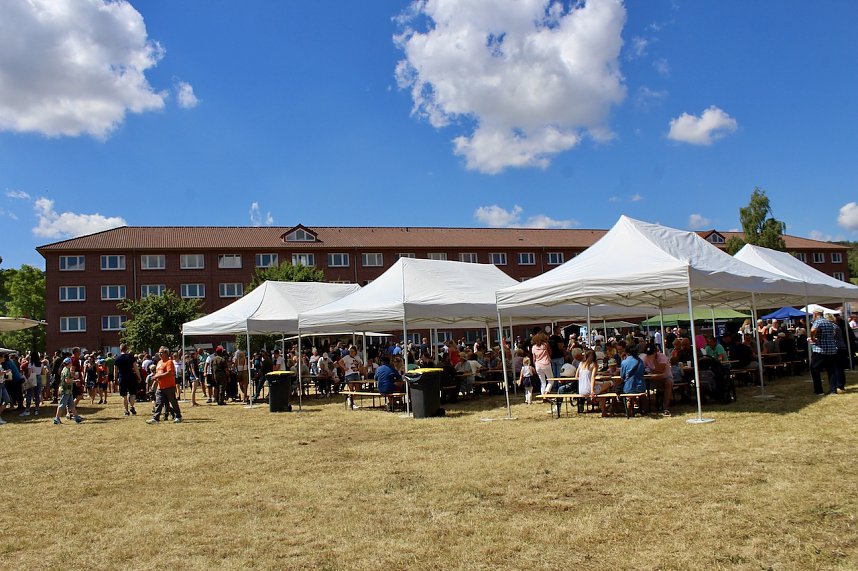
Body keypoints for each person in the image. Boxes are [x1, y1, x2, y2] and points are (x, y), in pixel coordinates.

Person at [147, 347, 182, 424]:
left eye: (161, 352)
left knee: (173, 402)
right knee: (158, 403)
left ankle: (178, 416)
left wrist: (158, 376)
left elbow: (170, 373)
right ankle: (155, 419)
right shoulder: (159, 363)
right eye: (159, 352)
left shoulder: (169, 362)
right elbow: (157, 373)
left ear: (166, 353)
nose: (159, 354)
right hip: (160, 386)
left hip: (169, 386)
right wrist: (155, 378)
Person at [809, 308, 838, 395]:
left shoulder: (818, 321)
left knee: (814, 369)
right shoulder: (829, 322)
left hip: (820, 349)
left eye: (813, 314)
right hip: (831, 349)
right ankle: (833, 390)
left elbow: (813, 330)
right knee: (831, 370)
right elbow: (835, 331)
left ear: (816, 314)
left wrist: (813, 338)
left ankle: (819, 390)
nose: (812, 316)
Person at [642, 343, 674, 417]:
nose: (649, 356)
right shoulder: (645, 357)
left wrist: (654, 360)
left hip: (665, 378)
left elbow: (660, 370)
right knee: (641, 385)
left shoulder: (662, 356)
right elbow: (643, 369)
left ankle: (665, 407)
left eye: (651, 354)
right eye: (648, 354)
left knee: (668, 383)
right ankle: (646, 407)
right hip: (652, 379)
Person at [114, 343, 141, 416]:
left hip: (122, 377)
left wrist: (115, 379)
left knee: (124, 395)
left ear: (120, 349)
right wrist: (139, 377)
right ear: (127, 349)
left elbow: (115, 370)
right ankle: (132, 406)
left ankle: (126, 410)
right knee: (133, 393)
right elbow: (136, 368)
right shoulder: (131, 357)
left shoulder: (117, 358)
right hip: (131, 377)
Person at [53, 357, 82, 424]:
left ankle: (77, 417)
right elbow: (67, 380)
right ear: (69, 363)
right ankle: (56, 419)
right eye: (71, 362)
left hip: (68, 390)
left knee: (71, 405)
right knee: (61, 405)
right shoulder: (66, 370)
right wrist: (75, 381)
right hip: (65, 390)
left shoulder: (67, 369)